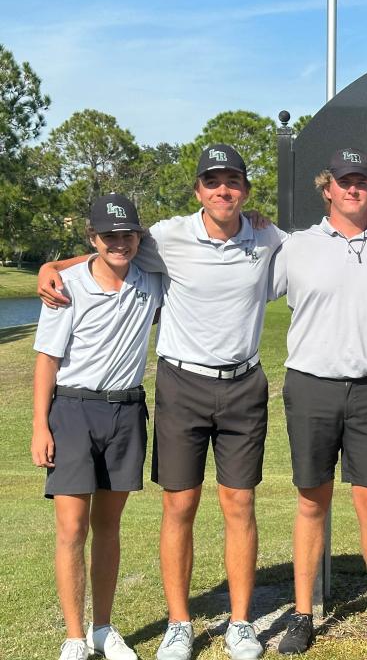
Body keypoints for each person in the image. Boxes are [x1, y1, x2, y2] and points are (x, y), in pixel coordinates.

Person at [38, 144, 288, 660]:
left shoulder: (266, 237)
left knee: (239, 503)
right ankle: (179, 622)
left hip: (243, 384)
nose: (223, 190)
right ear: (197, 190)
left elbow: (321, 250)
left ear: (245, 188)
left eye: (233, 181)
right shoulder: (168, 236)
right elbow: (109, 249)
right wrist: (50, 264)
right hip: (181, 385)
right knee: (179, 504)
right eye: (212, 182)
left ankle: (240, 622)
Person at [270, 149, 367, 655]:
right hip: (311, 385)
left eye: (363, 182)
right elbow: (240, 282)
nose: (354, 189)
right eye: (344, 181)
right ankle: (303, 614)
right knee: (311, 502)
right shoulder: (295, 246)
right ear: (327, 188)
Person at [32, 194, 163, 660]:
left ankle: (103, 628)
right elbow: (47, 359)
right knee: (71, 527)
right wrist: (39, 426)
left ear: (138, 237)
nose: (119, 243)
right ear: (94, 238)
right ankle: (74, 636)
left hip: (126, 411)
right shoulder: (65, 286)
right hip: (71, 410)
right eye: (109, 235)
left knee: (108, 526)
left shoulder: (151, 281)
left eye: (127, 234)